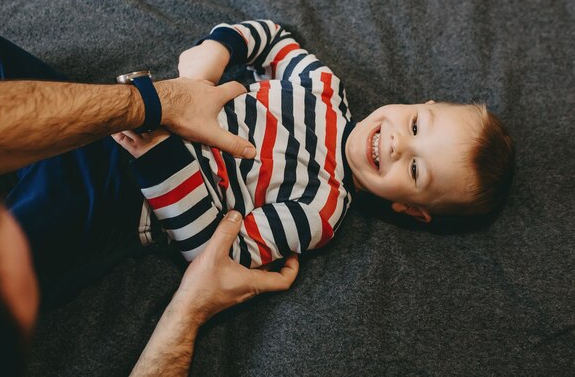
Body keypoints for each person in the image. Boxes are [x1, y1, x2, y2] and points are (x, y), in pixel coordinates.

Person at [0, 28, 299, 376]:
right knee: (46, 222)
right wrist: (188, 310)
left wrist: (158, 98)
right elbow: (219, 253)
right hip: (126, 191)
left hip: (116, 141)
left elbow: (269, 36)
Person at [112, 19, 515, 268]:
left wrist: (160, 159)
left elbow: (218, 256)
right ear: (418, 103)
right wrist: (217, 51)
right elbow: (272, 39)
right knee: (48, 95)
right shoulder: (321, 88)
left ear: (409, 208)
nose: (397, 145)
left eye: (415, 169)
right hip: (128, 108)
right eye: (414, 126)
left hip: (131, 196)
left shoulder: (319, 212)